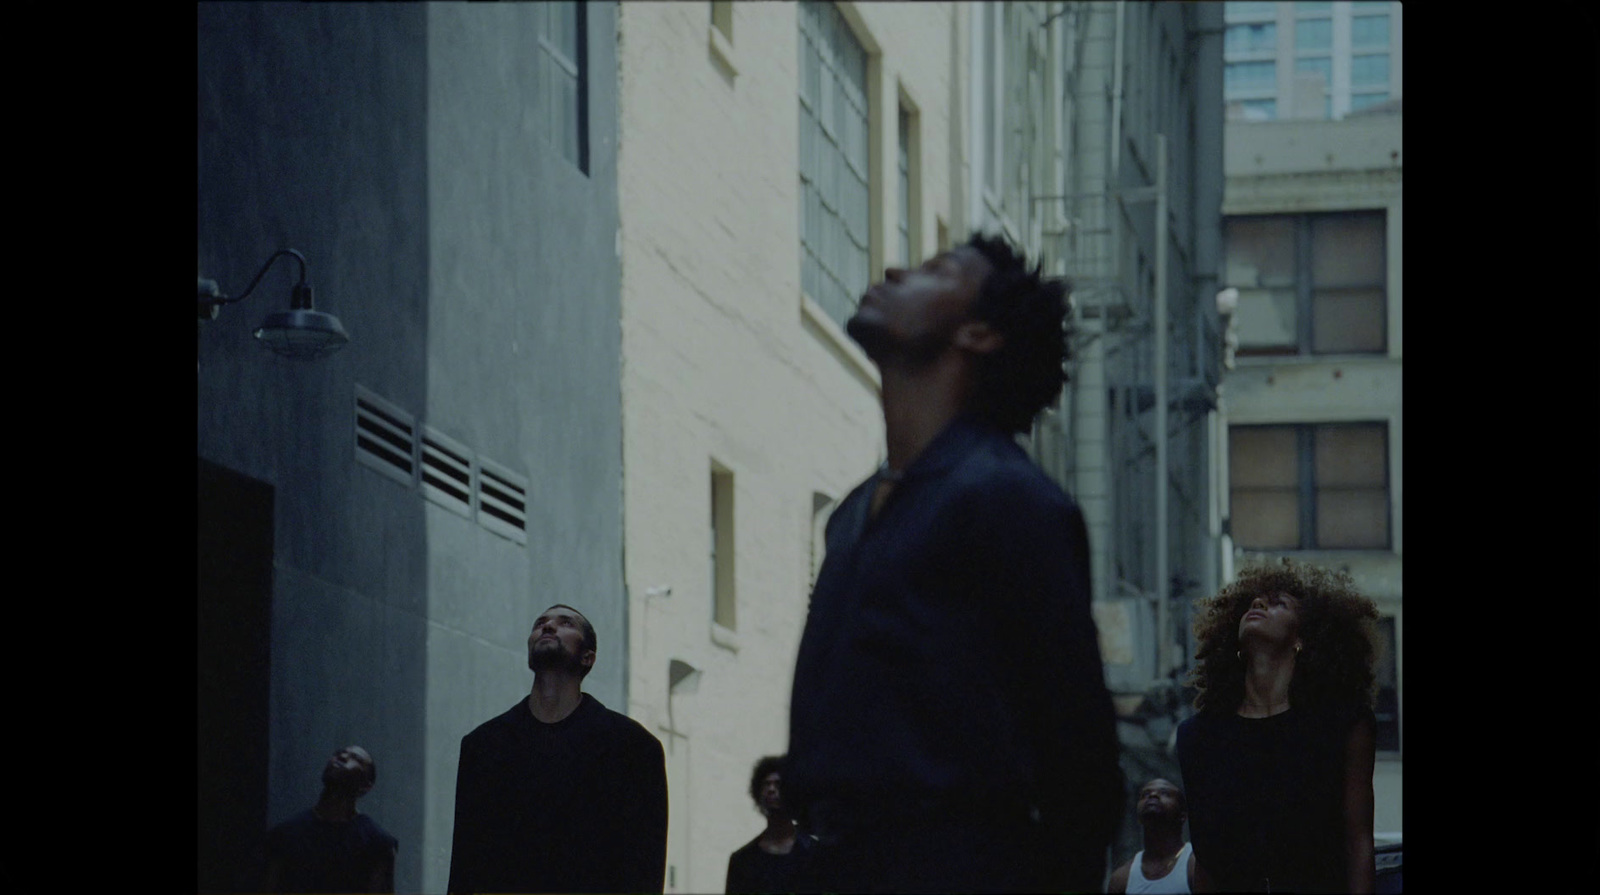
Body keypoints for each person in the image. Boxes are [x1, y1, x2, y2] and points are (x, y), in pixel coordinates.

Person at [785, 233, 1123, 893]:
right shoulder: (853, 513)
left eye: (936, 270)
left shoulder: (1011, 499)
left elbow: (1081, 773)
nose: (891, 269)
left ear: (979, 332)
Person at [1175, 561, 1380, 893]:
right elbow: (1206, 860)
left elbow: (1358, 844)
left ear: (1302, 637)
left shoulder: (1343, 726)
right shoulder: (1198, 736)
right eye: (1253, 603)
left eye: (1277, 602)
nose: (1257, 604)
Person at [447, 604, 668, 894]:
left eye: (566, 623)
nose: (547, 627)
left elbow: (644, 869)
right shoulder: (484, 745)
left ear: (588, 657)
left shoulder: (633, 748)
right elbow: (466, 863)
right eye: (540, 623)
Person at [264, 745, 397, 893]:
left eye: (356, 758)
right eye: (339, 753)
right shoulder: (285, 834)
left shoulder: (377, 843)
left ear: (366, 785)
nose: (343, 757)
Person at [725, 755, 815, 893]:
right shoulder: (742, 861)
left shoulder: (816, 854)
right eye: (766, 784)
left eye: (778, 784)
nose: (771, 789)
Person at [1106, 778, 1211, 894]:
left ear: (1183, 815)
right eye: (1145, 794)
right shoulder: (1122, 878)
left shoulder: (1195, 865)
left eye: (1165, 793)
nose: (1153, 795)